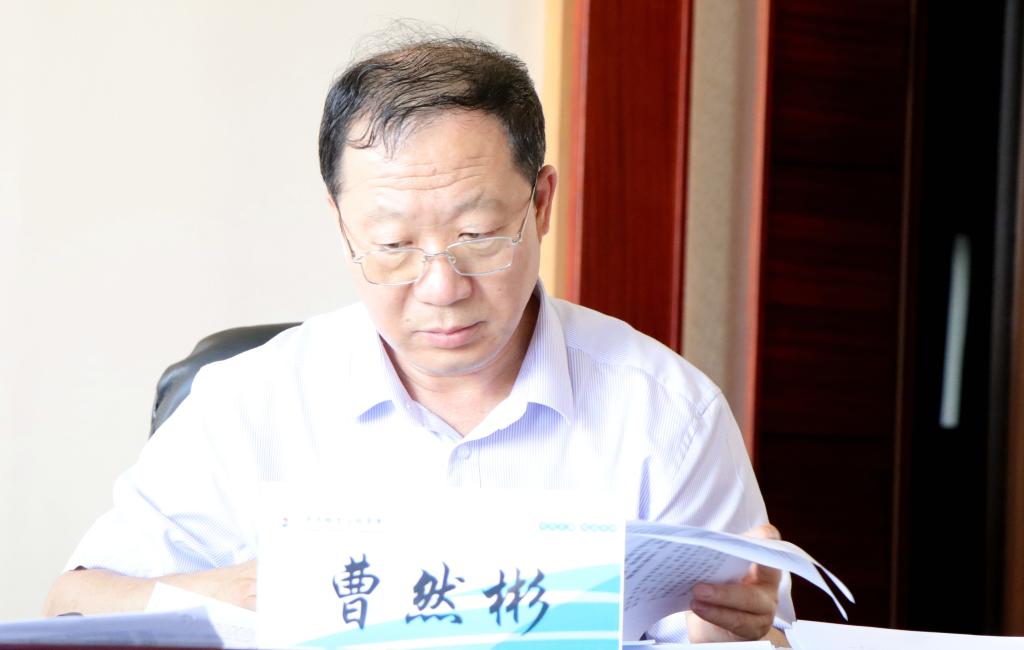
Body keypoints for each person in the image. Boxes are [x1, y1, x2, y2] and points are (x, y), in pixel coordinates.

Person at [45, 36, 793, 644]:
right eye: (393, 245)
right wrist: (237, 592)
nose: (440, 287)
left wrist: (732, 639)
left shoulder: (667, 412)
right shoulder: (251, 400)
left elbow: (771, 637)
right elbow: (71, 604)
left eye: (479, 235)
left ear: (541, 203)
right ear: (341, 224)